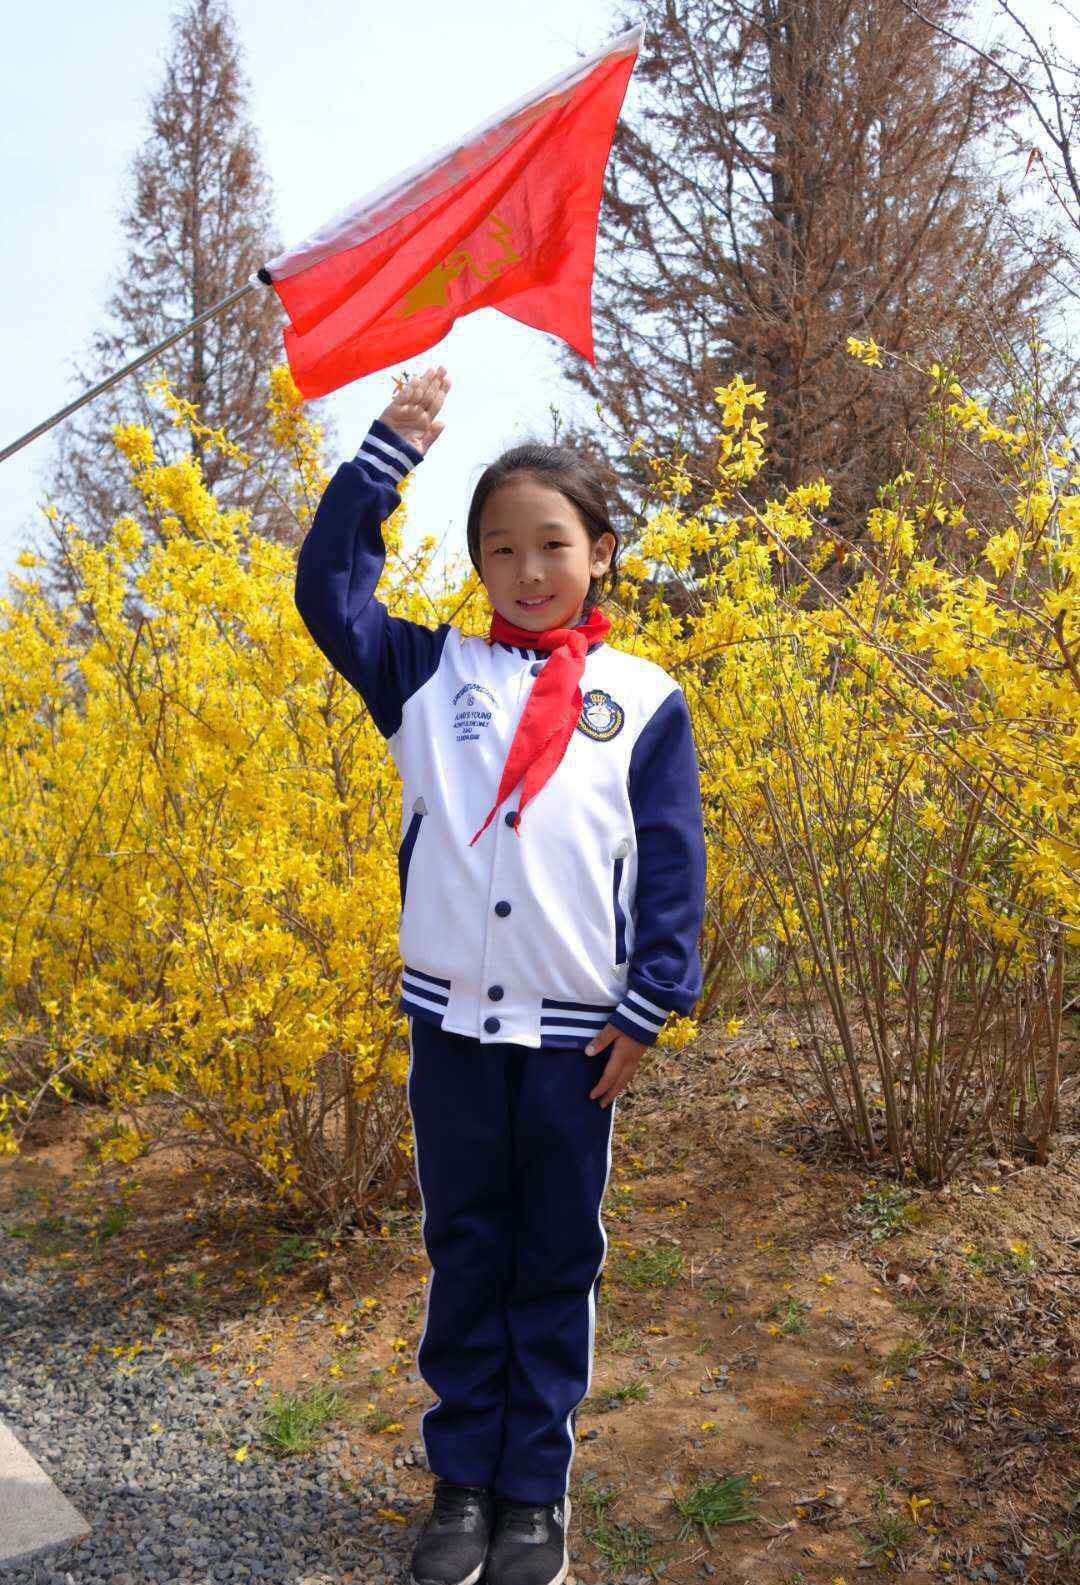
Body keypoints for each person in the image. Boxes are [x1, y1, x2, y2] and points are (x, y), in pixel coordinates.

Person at [294, 365, 707, 1585]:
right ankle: (461, 1485)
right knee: (465, 1254)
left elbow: (674, 869)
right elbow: (328, 591)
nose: (530, 571)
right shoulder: (431, 678)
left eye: (553, 545)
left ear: (600, 553)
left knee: (553, 1261)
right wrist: (386, 457)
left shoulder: (643, 702)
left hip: (576, 1045)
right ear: (477, 563)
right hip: (454, 1039)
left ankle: (536, 1496)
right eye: (502, 549)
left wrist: (650, 1006)